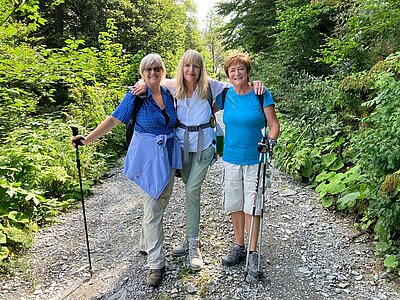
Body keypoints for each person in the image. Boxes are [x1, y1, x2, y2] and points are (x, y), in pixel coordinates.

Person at [132, 49, 264, 271]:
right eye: (187, 66)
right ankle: (188, 239)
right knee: (188, 189)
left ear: (201, 69)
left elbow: (239, 84)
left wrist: (258, 84)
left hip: (204, 147)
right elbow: (153, 80)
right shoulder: (173, 86)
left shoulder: (210, 86)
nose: (191, 70)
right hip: (181, 149)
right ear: (181, 68)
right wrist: (142, 84)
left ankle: (194, 244)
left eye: (196, 66)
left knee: (192, 190)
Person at [70, 53, 181, 287]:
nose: (152, 73)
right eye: (148, 70)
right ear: (142, 73)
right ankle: (155, 263)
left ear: (163, 72)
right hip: (148, 158)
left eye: (156, 69)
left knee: (161, 203)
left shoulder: (170, 94)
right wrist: (87, 139)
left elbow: (194, 83)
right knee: (152, 207)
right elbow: (114, 119)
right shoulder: (136, 95)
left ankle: (145, 243)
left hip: (169, 154)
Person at [214, 52, 280, 277]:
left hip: (255, 160)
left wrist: (269, 143)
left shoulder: (261, 94)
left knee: (253, 206)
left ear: (247, 71)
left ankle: (253, 252)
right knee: (235, 204)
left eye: (240, 68)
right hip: (231, 159)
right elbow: (203, 110)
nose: (236, 73)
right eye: (232, 70)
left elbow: (274, 126)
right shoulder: (224, 96)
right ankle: (239, 246)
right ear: (228, 75)